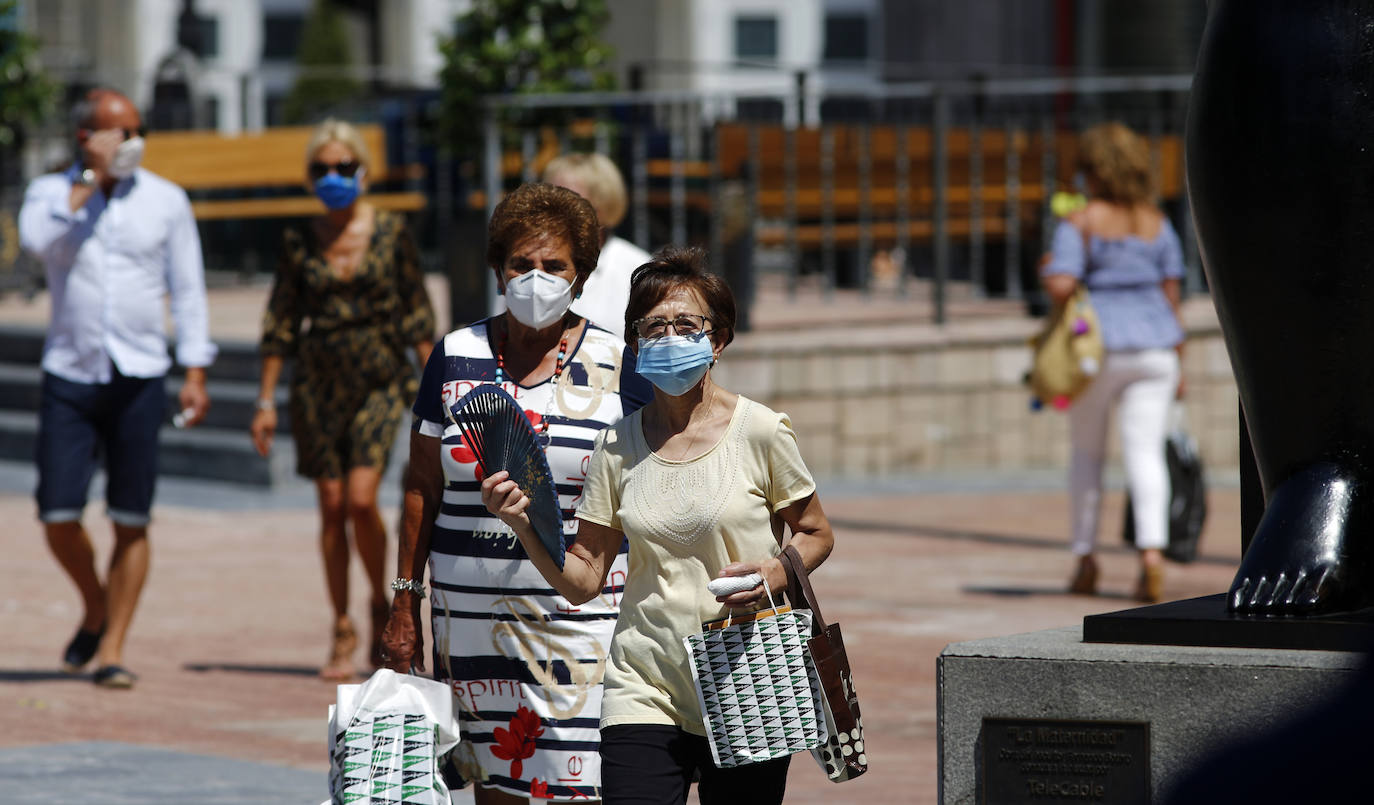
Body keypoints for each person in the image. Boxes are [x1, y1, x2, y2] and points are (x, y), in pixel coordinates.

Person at [479, 246, 837, 805]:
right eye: (653, 327)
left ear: (717, 341)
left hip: (748, 674)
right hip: (643, 683)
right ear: (635, 344)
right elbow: (584, 577)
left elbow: (816, 533)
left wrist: (772, 572)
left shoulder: (763, 431)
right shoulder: (617, 444)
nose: (669, 338)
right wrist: (524, 525)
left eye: (686, 325)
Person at [382, 182, 651, 803]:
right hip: (468, 617)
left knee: (575, 782)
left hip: (578, 617)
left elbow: (647, 483)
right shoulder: (454, 356)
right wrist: (404, 601)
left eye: (553, 265)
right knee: (495, 779)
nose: (536, 279)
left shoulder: (620, 365)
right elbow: (422, 485)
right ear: (498, 270)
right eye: (521, 264)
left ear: (581, 275)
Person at [18, 88, 216, 689]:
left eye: (136, 131)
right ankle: (96, 604)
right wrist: (86, 182)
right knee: (57, 511)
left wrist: (196, 369)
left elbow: (187, 288)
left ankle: (113, 647)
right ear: (86, 138)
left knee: (131, 518)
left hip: (140, 375)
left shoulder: (165, 200)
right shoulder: (51, 195)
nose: (130, 142)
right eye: (116, 132)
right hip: (71, 372)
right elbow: (38, 244)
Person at [251, 118, 435, 681]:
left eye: (343, 167)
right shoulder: (298, 239)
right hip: (317, 385)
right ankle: (340, 624)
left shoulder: (390, 232)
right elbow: (281, 319)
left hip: (380, 379)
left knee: (361, 499)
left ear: (363, 171)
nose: (332, 177)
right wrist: (264, 400)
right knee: (330, 506)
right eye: (321, 169)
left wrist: (443, 387)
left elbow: (417, 315)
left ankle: (382, 605)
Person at [1040, 122, 1187, 603]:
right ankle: (1151, 555)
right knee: (1145, 454)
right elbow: (1172, 294)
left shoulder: (1079, 222)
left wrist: (1049, 270)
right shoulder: (1156, 222)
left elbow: (1063, 285)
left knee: (1087, 454)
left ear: (1093, 171)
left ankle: (1085, 558)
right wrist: (1179, 361)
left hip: (1096, 350)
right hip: (1156, 348)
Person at [538, 152, 652, 340]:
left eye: (569, 200)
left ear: (601, 205)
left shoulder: (638, 269)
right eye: (549, 199)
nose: (555, 210)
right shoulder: (526, 264)